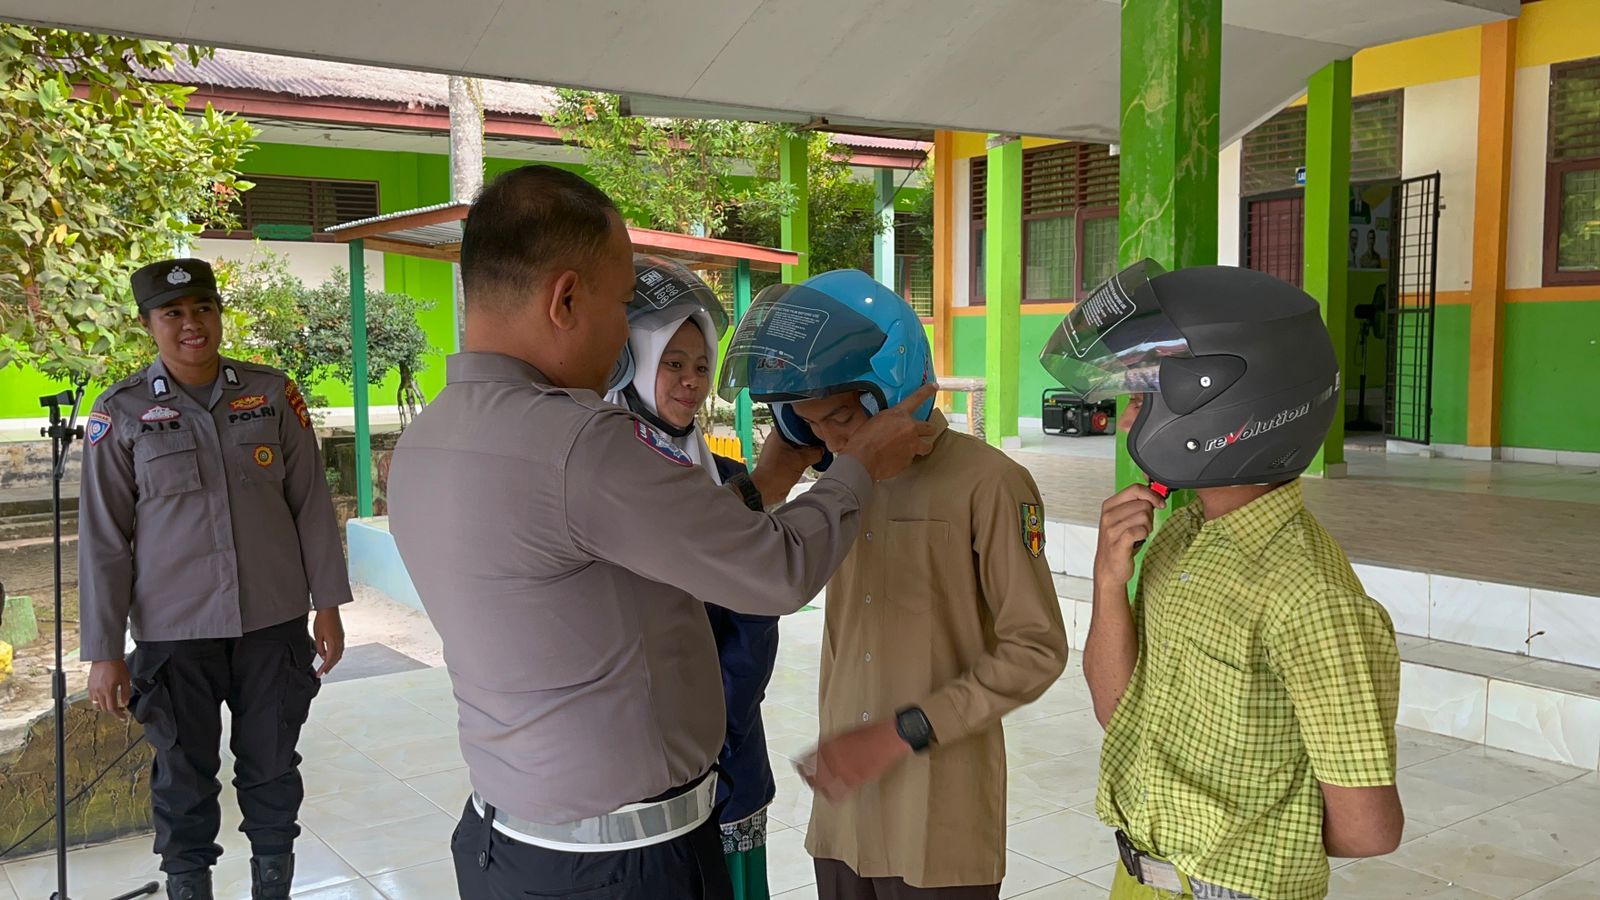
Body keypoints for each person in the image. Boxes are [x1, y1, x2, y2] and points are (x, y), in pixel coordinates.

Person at [385, 164, 935, 900]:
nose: (624, 333)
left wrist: (764, 483)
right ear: (565, 299)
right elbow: (776, 571)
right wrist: (859, 465)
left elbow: (638, 543)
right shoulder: (581, 442)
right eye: (620, 305)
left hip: (505, 846)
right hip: (623, 867)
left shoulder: (427, 441)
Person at [1040, 261, 1403, 900]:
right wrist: (1108, 582)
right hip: (1141, 874)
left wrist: (1248, 844)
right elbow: (1118, 712)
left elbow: (1368, 829)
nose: (1126, 421)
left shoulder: (1310, 599)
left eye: (1143, 399)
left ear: (1222, 403)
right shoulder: (1179, 536)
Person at [718, 270, 1069, 900]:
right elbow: (748, 573)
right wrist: (773, 478)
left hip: (938, 822)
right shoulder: (837, 489)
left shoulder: (989, 483)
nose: (831, 439)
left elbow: (1036, 649)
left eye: (842, 417)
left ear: (896, 389)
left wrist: (905, 730)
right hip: (844, 821)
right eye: (810, 424)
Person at [78, 258, 351, 900]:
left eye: (202, 308)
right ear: (147, 324)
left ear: (219, 314)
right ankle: (188, 886)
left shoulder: (271, 394)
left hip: (272, 623)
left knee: (273, 770)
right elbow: (104, 540)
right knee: (183, 778)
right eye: (172, 313)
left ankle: (272, 887)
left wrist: (329, 605)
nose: (191, 324)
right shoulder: (119, 412)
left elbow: (311, 504)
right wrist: (104, 652)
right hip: (175, 634)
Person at [602, 255, 792, 899]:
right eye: (673, 363)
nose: (690, 382)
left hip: (725, 761)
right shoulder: (600, 481)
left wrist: (710, 733)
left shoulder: (731, 482)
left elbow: (754, 627)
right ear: (632, 362)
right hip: (634, 775)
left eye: (701, 366)